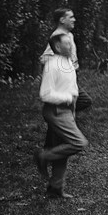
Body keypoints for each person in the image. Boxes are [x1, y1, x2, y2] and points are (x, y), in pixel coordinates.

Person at [33, 33, 89, 199]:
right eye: (67, 44)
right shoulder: (52, 65)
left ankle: (55, 189)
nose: (71, 46)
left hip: (67, 110)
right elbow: (45, 94)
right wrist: (67, 99)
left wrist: (72, 102)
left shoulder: (67, 61)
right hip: (56, 111)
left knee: (63, 151)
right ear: (57, 47)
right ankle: (43, 156)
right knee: (78, 142)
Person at [40, 8, 92, 113]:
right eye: (71, 17)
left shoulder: (69, 35)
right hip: (64, 76)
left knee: (77, 98)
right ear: (62, 20)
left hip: (72, 74)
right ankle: (61, 114)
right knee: (84, 100)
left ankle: (65, 116)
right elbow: (44, 58)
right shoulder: (57, 37)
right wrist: (61, 68)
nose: (74, 20)